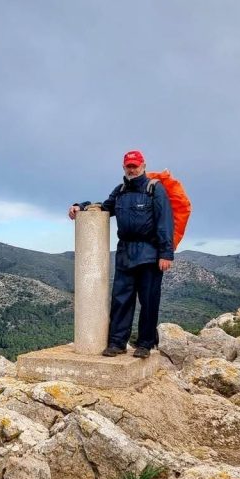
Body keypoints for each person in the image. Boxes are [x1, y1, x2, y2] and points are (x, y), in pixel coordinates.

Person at [69, 150, 174, 358]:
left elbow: (165, 221)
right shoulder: (120, 191)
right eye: (129, 166)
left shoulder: (155, 189)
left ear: (143, 166)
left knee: (149, 301)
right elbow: (103, 208)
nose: (132, 169)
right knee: (121, 299)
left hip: (150, 254)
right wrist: (80, 206)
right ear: (124, 167)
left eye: (135, 166)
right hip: (125, 253)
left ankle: (145, 344)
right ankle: (117, 343)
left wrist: (166, 253)